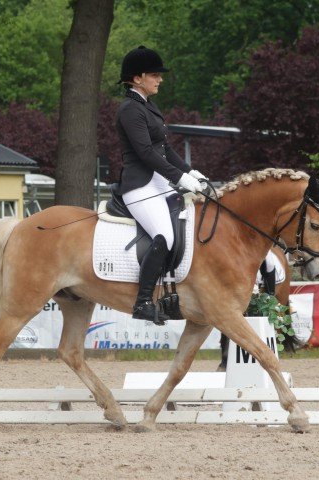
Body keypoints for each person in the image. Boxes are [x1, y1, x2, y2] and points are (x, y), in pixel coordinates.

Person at [116, 45, 208, 325]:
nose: (160, 79)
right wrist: (180, 179)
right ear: (137, 78)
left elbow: (165, 149)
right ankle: (143, 302)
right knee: (165, 236)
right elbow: (146, 153)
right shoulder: (130, 110)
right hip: (139, 186)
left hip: (158, 182)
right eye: (155, 75)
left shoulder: (148, 107)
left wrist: (191, 171)